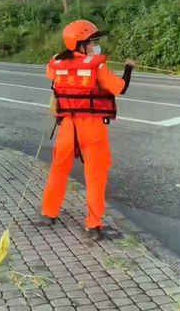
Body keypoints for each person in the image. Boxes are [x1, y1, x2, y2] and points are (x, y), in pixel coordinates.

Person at [40, 19, 136, 241]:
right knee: (95, 176)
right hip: (92, 129)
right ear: (81, 44)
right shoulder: (97, 66)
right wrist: (129, 68)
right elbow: (120, 88)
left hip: (66, 127)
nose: (96, 46)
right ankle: (93, 225)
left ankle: (48, 213)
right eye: (93, 42)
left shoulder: (55, 63)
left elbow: (52, 74)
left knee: (58, 170)